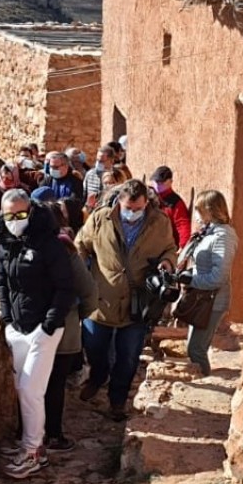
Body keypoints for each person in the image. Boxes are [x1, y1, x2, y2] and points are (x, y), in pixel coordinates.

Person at [75, 179, 177, 421]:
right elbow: (82, 244)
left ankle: (117, 400)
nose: (132, 213)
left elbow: (170, 249)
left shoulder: (159, 223)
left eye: (138, 208)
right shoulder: (101, 218)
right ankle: (98, 376)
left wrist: (167, 263)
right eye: (128, 208)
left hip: (137, 304)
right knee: (94, 347)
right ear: (118, 202)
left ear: (146, 204)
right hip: (100, 299)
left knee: (128, 356)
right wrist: (81, 276)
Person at [0, 188, 75, 478]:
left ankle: (32, 452)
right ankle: (31, 446)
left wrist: (50, 323)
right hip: (17, 327)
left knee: (31, 390)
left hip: (43, 329)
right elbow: (2, 282)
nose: (15, 219)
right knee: (23, 390)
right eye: (9, 214)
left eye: (21, 214)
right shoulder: (3, 240)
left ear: (31, 211)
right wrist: (6, 319)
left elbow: (67, 287)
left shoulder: (49, 244)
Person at [38, 200, 97, 453]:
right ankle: (53, 434)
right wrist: (77, 317)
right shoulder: (67, 249)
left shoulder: (26, 246)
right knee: (54, 384)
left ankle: (28, 433)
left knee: (33, 383)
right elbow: (89, 292)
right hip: (64, 327)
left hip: (33, 326)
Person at [176, 190, 238, 376]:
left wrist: (191, 279)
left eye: (199, 210)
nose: (196, 214)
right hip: (200, 297)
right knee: (192, 347)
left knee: (196, 349)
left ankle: (204, 381)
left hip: (212, 300)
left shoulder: (223, 236)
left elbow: (218, 276)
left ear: (209, 211)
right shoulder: (208, 232)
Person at [150, 166, 192, 248]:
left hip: (167, 247)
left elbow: (182, 225)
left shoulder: (176, 202)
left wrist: (182, 247)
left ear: (170, 182)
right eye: (156, 181)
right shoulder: (150, 196)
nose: (158, 184)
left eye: (161, 182)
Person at [83, 144, 116, 211]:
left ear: (111, 161)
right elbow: (84, 195)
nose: (98, 163)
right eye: (97, 160)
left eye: (101, 161)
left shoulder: (117, 175)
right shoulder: (90, 174)